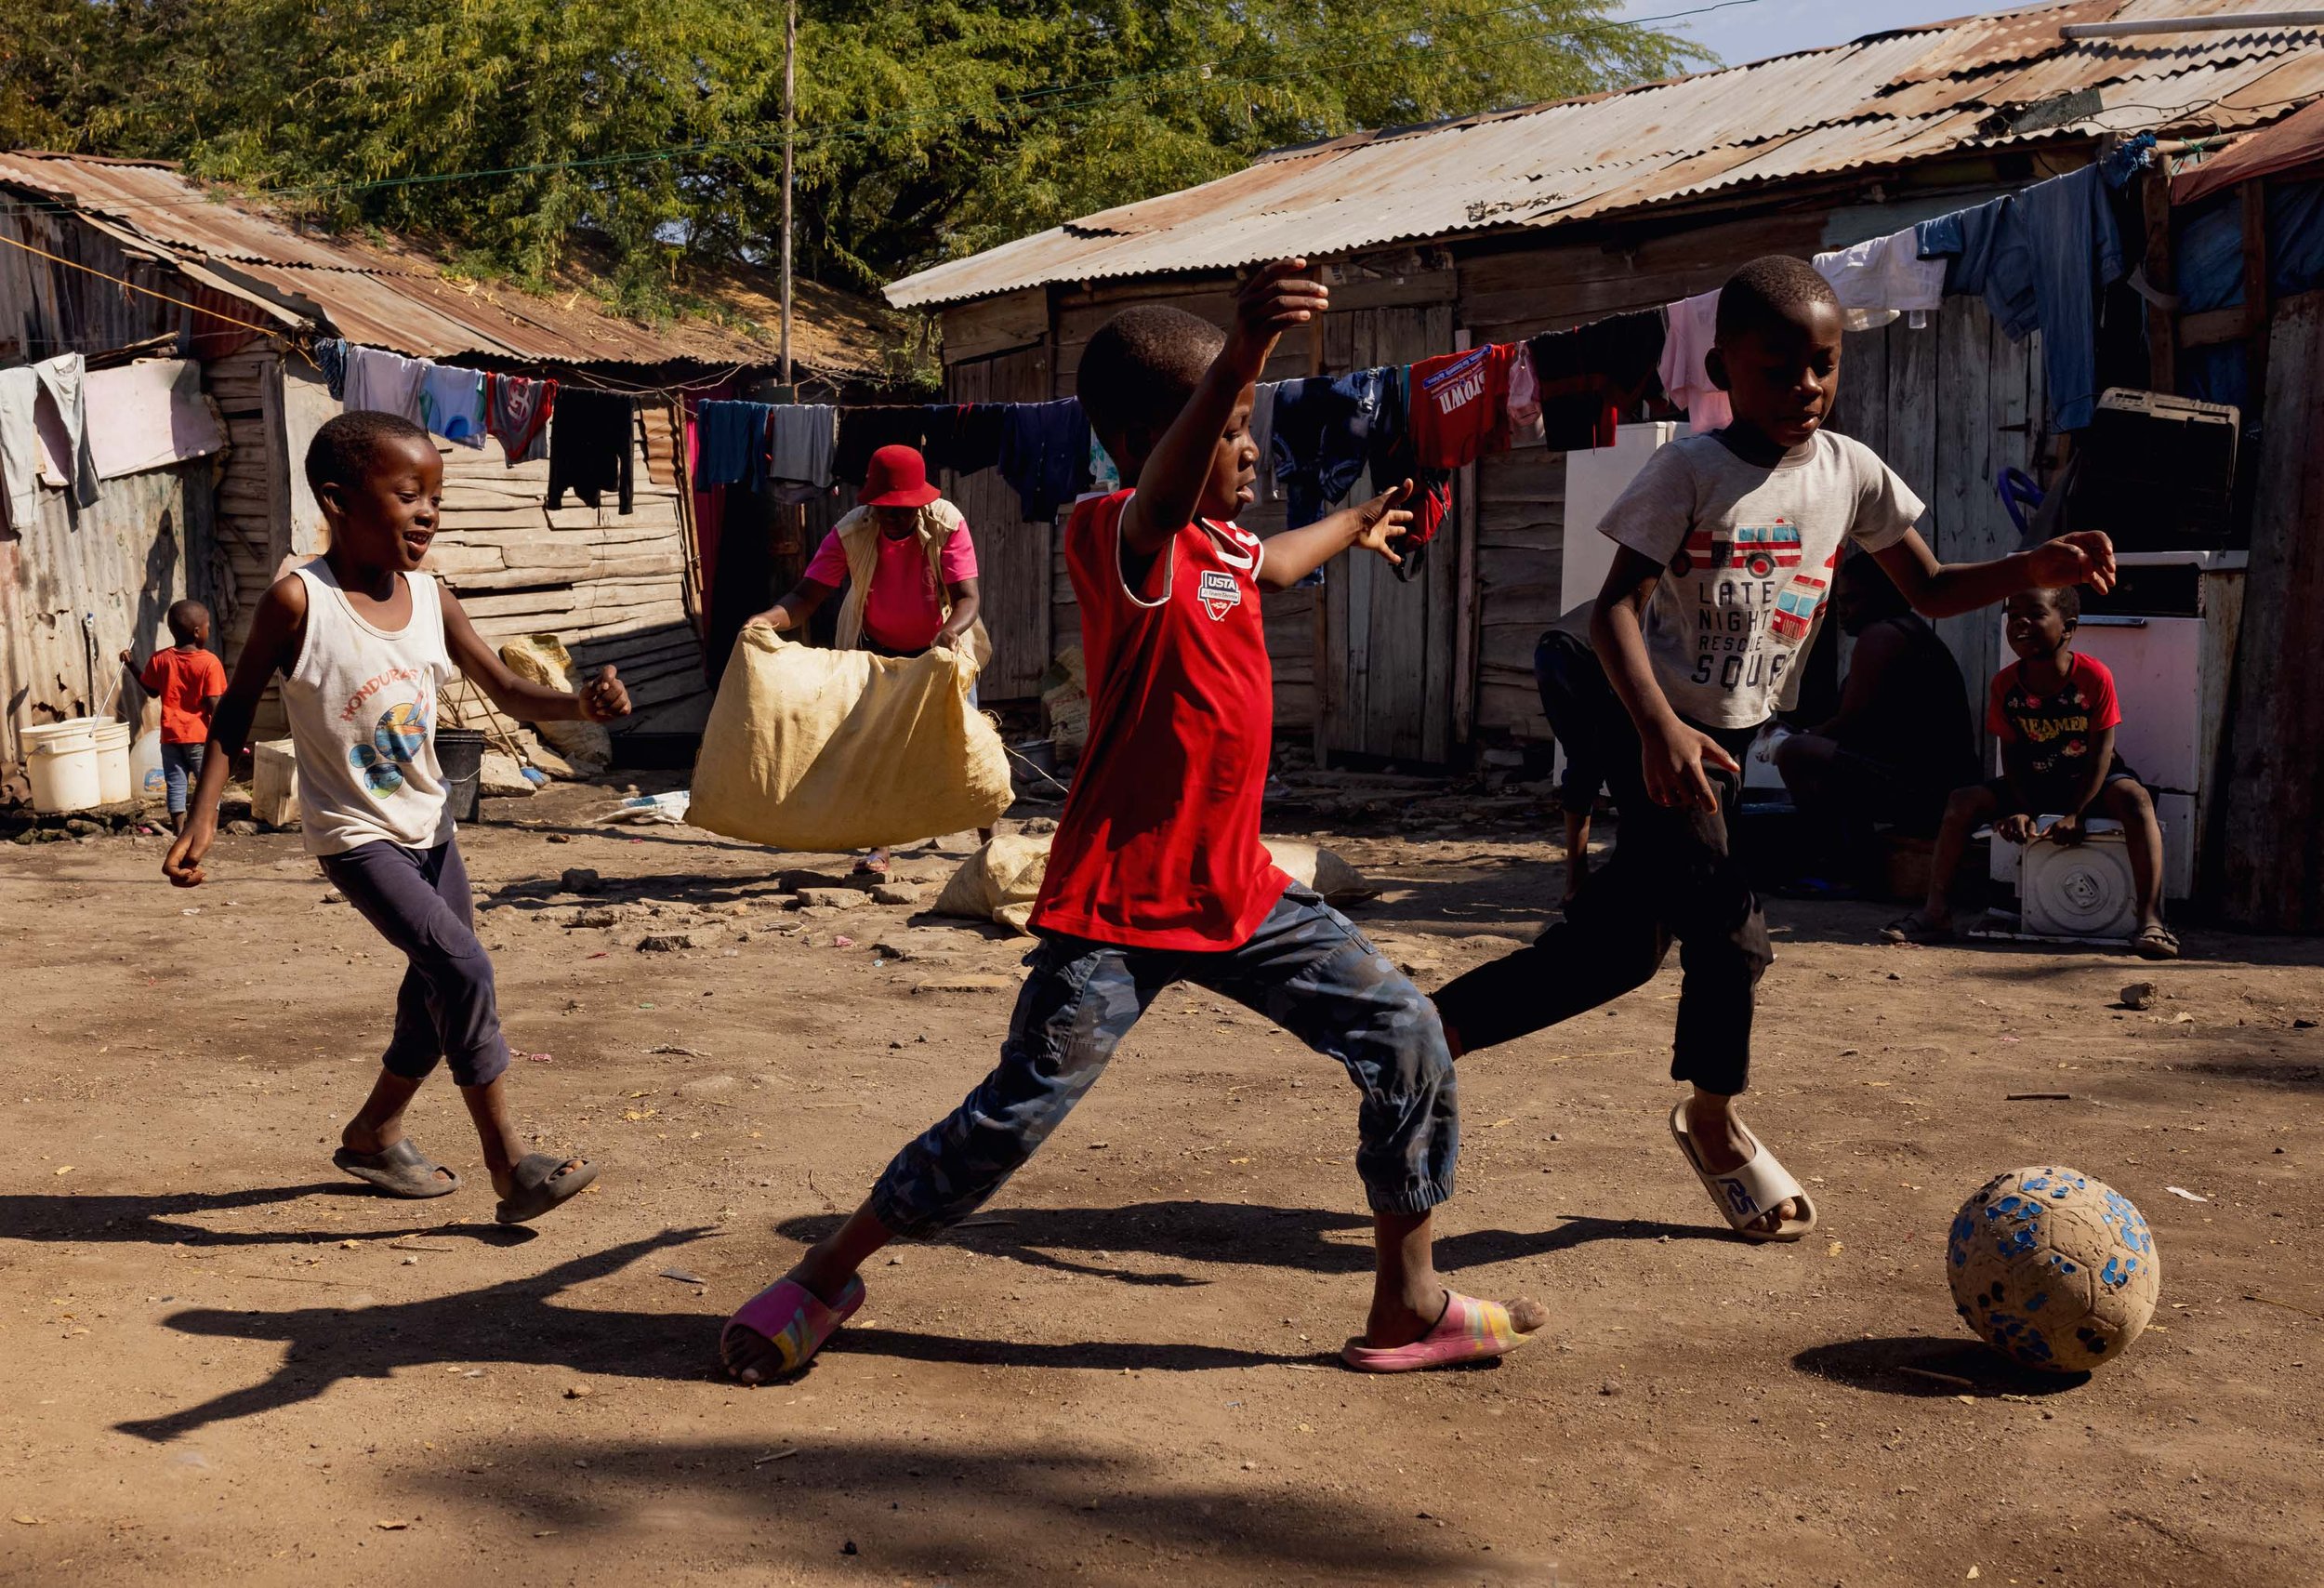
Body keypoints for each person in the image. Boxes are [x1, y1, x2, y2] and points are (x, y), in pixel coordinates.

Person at [721, 261, 1549, 1384]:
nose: (1251, 447)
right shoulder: (1119, 534)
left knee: (1406, 1033)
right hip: (1118, 904)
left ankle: (1407, 1301)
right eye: (1234, 428)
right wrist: (1243, 354)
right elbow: (1162, 494)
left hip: (1238, 894)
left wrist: (1354, 522)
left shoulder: (1223, 547)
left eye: (1252, 426)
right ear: (1162, 440)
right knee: (1013, 1113)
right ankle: (828, 1272)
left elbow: (1274, 563)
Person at [1430, 256, 2115, 1242]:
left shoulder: (1850, 470)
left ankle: (1426, 1033)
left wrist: (2031, 564)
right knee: (1733, 933)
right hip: (1647, 716)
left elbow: (1926, 588)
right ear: (1721, 367)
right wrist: (1660, 729)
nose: (1804, 387)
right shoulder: (1690, 470)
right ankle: (1710, 1120)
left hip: (1729, 729)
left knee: (1622, 946)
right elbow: (1617, 607)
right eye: (1776, 367)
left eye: (1823, 366)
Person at [164, 411, 629, 1223]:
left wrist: (578, 703)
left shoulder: (429, 598)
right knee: (464, 971)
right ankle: (510, 1166)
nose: (428, 513)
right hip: (356, 836)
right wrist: (201, 820)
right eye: (408, 494)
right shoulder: (297, 600)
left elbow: (508, 690)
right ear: (339, 501)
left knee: (433, 988)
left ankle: (375, 1132)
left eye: (435, 498)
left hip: (432, 827)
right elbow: (234, 713)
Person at [1886, 585, 2176, 959]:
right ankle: (1936, 913)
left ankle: (2151, 920)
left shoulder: (2093, 677)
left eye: (2035, 614)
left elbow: (2101, 754)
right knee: (1962, 802)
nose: (2020, 622)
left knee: (2135, 799)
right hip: (2036, 781)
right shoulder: (2006, 685)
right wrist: (2023, 809)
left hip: (2091, 781)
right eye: (2012, 613)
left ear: (2068, 628)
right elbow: (2013, 753)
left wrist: (2076, 813)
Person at [747, 443, 988, 877]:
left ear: (923, 502)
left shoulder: (948, 523)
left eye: (905, 510)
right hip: (878, 647)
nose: (895, 519)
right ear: (871, 504)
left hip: (943, 646)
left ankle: (990, 840)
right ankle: (881, 849)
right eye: (887, 510)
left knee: (968, 742)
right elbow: (806, 596)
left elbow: (968, 597)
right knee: (879, 747)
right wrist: (765, 620)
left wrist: (950, 633)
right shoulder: (850, 532)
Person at [1773, 550, 1977, 865]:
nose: (1842, 611)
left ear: (1884, 596)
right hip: (1932, 783)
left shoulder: (1883, 636)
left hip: (1927, 790)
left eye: (1852, 600)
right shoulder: (1906, 631)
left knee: (1794, 752)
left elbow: (1849, 723)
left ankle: (1836, 864)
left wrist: (1793, 739)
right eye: (1839, 601)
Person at [1532, 603, 1625, 905]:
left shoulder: (1633, 594)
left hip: (1550, 649)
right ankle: (1630, 879)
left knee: (1583, 762)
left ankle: (1575, 882)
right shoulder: (1661, 610)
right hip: (1584, 655)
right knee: (1626, 764)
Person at [121, 600, 227, 833]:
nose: (209, 629)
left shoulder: (160, 659)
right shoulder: (209, 663)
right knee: (210, 783)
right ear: (198, 632)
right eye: (208, 625)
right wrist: (225, 734)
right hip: (200, 736)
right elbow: (213, 705)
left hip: (170, 736)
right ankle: (209, 829)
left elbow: (151, 690)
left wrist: (131, 666)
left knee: (176, 784)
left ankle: (180, 831)